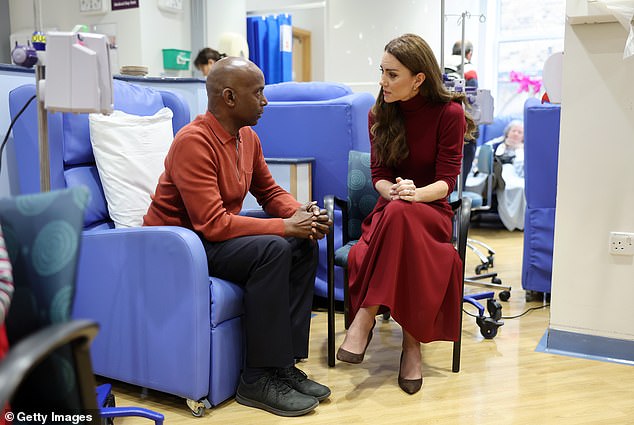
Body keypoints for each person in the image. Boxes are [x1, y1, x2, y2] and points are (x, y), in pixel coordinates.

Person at [143, 56, 332, 417]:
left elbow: (270, 193)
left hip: (208, 240)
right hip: (178, 247)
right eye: (258, 93)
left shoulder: (247, 137)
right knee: (274, 247)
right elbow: (212, 223)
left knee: (302, 242)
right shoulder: (193, 142)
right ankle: (256, 379)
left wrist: (299, 215)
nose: (265, 101)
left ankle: (282, 364)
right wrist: (284, 226)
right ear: (229, 98)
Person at [335, 33, 477, 395]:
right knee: (397, 213)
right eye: (381, 71)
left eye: (392, 74)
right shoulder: (378, 113)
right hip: (391, 211)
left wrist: (414, 195)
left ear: (419, 79)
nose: (382, 81)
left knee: (402, 214)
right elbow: (380, 176)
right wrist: (396, 192)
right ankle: (410, 347)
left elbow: (447, 182)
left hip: (432, 212)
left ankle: (365, 316)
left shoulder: (450, 114)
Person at [445, 39, 479, 186]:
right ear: (469, 54)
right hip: (459, 118)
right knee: (471, 137)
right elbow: (472, 98)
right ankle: (460, 189)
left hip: (439, 119)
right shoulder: (469, 69)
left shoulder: (440, 65)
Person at [488, 120, 525, 231]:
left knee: (522, 187)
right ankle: (511, 221)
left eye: (520, 132)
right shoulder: (497, 143)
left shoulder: (525, 149)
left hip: (516, 174)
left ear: (523, 136)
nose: (516, 134)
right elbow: (482, 152)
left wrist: (519, 150)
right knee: (505, 185)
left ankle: (519, 222)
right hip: (500, 172)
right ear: (508, 132)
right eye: (514, 131)